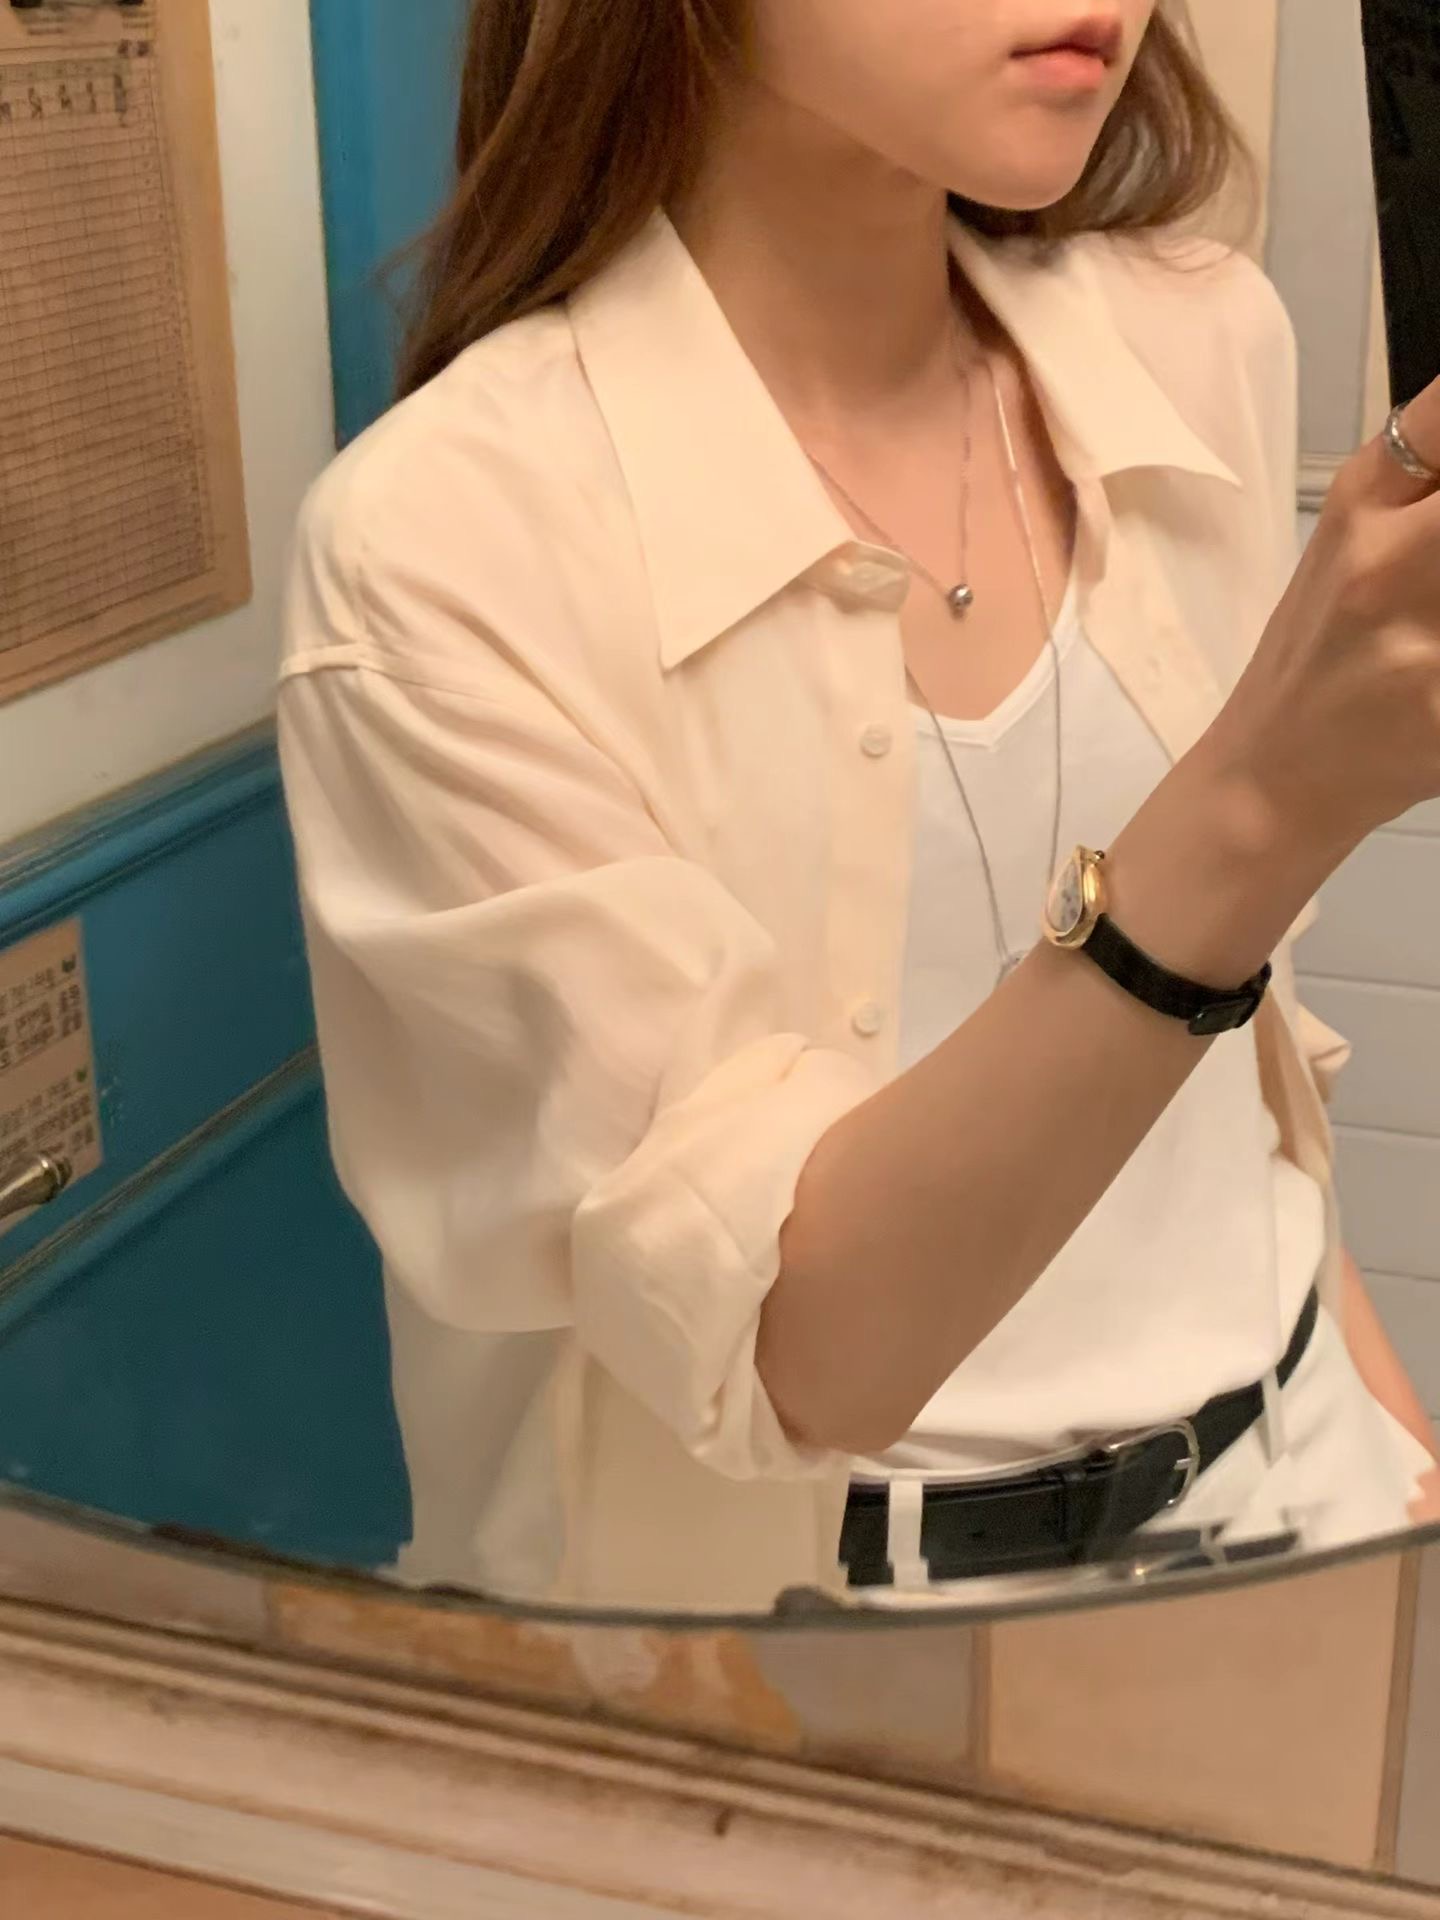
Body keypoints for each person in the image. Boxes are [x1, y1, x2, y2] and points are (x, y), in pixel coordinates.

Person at [278, 0, 1440, 1614]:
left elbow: (1240, 1070)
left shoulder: (1201, 338)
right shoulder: (441, 549)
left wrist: (1392, 1433)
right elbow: (794, 1343)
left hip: (1313, 1492)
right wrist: (1261, 802)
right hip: (812, 1648)